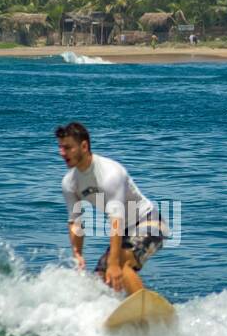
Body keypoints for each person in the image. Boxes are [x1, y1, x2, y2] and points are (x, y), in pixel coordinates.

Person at [56, 121, 167, 297]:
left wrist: (114, 263)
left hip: (150, 222)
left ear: (84, 146)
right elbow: (75, 221)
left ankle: (145, 310)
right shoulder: (70, 182)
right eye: (61, 148)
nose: (62, 153)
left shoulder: (110, 173)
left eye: (68, 148)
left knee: (120, 263)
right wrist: (77, 253)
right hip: (123, 232)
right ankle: (119, 311)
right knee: (100, 279)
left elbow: (116, 220)